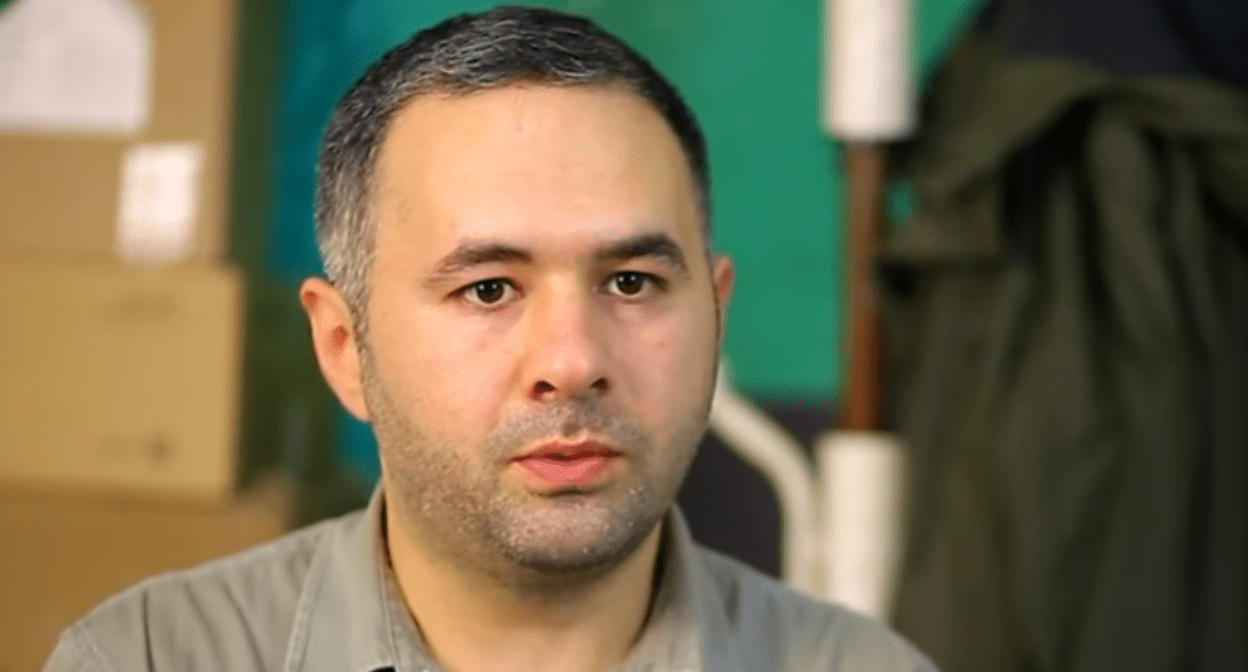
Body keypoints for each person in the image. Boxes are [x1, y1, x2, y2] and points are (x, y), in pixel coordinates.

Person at [43, 7, 935, 672]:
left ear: (715, 314)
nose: (571, 362)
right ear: (344, 347)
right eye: (489, 289)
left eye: (631, 282)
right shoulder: (144, 659)